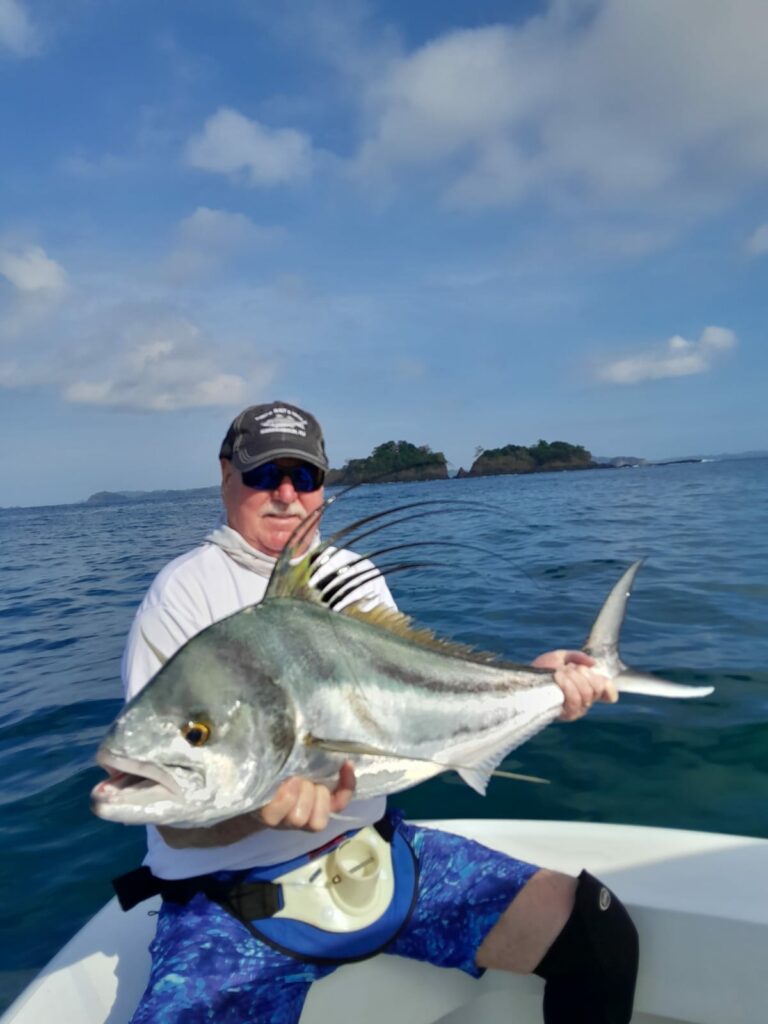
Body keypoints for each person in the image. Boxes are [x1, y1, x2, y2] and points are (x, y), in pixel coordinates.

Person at [119, 401, 639, 1024]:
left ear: (323, 482)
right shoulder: (182, 598)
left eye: (304, 476)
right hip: (233, 906)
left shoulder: (350, 577)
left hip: (377, 859)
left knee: (598, 935)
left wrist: (542, 685)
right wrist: (257, 810)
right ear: (226, 474)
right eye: (263, 475)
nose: (285, 494)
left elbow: (417, 698)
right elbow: (174, 819)